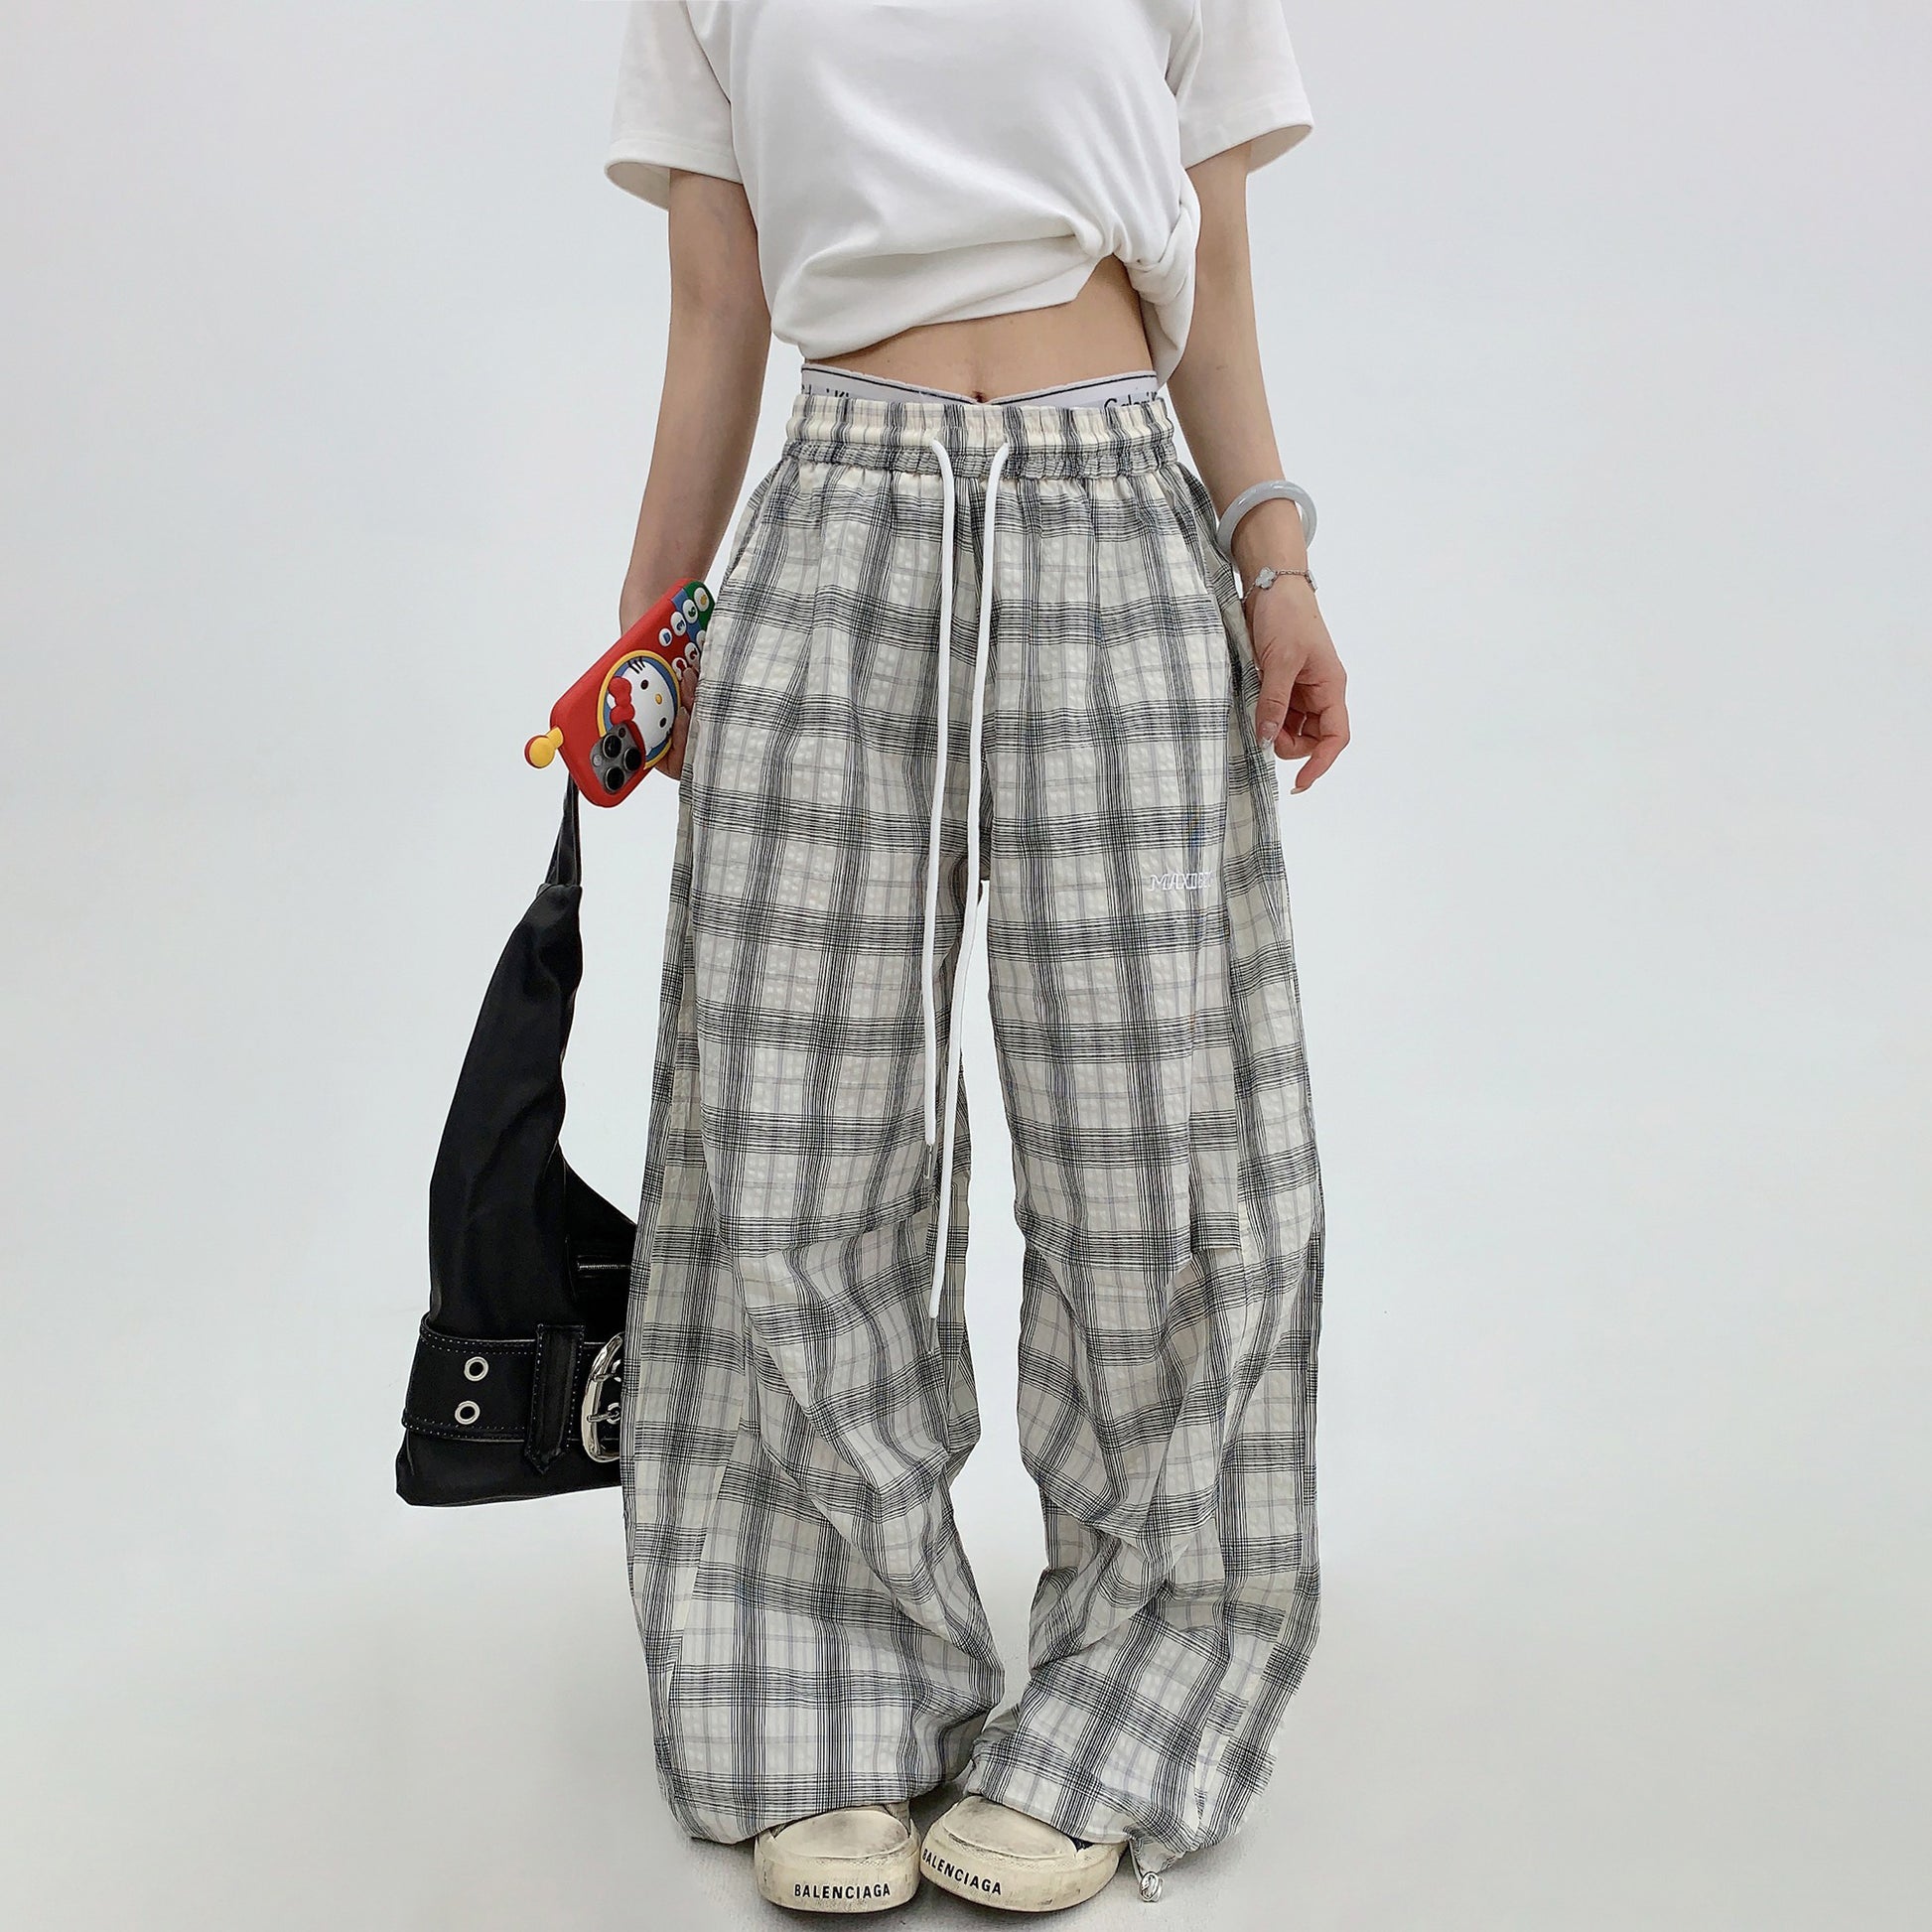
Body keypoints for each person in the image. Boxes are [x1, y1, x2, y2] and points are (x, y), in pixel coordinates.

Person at [604, 1, 1345, 1913]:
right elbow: (716, 301)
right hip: (833, 525)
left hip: (1118, 518)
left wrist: (1274, 560)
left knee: (1159, 1157)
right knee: (792, 1146)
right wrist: (650, 630)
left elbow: (1211, 264)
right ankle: (818, 1685)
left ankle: (1134, 1693)